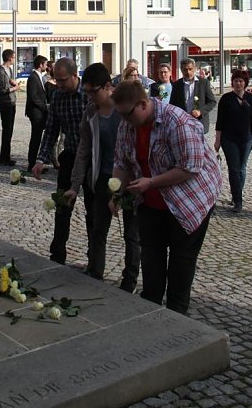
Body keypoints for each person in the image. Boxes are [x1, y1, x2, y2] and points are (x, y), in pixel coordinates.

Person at [111, 80, 221, 315]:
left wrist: (151, 182)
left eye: (127, 114)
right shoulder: (127, 124)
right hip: (151, 201)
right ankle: (151, 312)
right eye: (120, 115)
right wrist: (116, 193)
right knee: (151, 258)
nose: (124, 121)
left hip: (190, 200)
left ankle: (176, 315)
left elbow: (190, 167)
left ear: (143, 104)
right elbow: (122, 162)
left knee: (181, 262)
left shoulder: (177, 122)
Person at [65, 63, 140, 291]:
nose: (88, 96)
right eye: (86, 91)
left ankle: (129, 280)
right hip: (102, 178)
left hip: (130, 180)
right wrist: (74, 186)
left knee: (131, 233)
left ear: (108, 86)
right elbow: (84, 149)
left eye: (92, 91)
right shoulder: (90, 112)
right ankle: (95, 272)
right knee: (98, 229)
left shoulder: (124, 109)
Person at [32, 58, 89, 265]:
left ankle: (94, 261)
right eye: (57, 80)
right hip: (70, 156)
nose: (60, 84)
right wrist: (41, 159)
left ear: (75, 76)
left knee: (92, 210)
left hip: (92, 158)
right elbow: (51, 130)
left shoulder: (88, 96)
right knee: (62, 206)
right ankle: (57, 254)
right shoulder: (57, 97)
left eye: (63, 80)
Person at [214, 70, 252, 213]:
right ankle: (238, 201)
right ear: (232, 82)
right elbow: (220, 121)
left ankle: (237, 193)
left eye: (241, 81)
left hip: (247, 138)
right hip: (229, 139)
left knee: (242, 168)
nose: (238, 83)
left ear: (245, 83)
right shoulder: (226, 99)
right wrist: (217, 140)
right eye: (236, 81)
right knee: (234, 169)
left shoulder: (251, 99)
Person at [169, 58, 216, 133]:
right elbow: (172, 104)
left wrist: (200, 112)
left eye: (190, 69)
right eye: (185, 70)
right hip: (182, 123)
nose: (188, 72)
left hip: (199, 122)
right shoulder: (177, 85)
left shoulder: (204, 83)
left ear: (195, 69)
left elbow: (212, 102)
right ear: (181, 70)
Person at [0, 49, 18, 166]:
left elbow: (7, 82)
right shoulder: (1, 71)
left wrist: (11, 82)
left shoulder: (9, 70)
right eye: (13, 57)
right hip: (5, 104)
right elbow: (0, 90)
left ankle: (6, 156)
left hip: (11, 103)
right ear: (9, 58)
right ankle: (4, 158)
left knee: (9, 131)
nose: (14, 59)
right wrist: (13, 89)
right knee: (7, 131)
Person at [25, 54, 48, 172]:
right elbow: (33, 97)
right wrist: (45, 107)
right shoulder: (33, 77)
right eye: (45, 64)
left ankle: (35, 163)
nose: (46, 66)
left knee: (38, 139)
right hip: (36, 113)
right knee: (35, 139)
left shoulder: (39, 76)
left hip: (39, 112)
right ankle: (32, 164)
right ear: (40, 65)